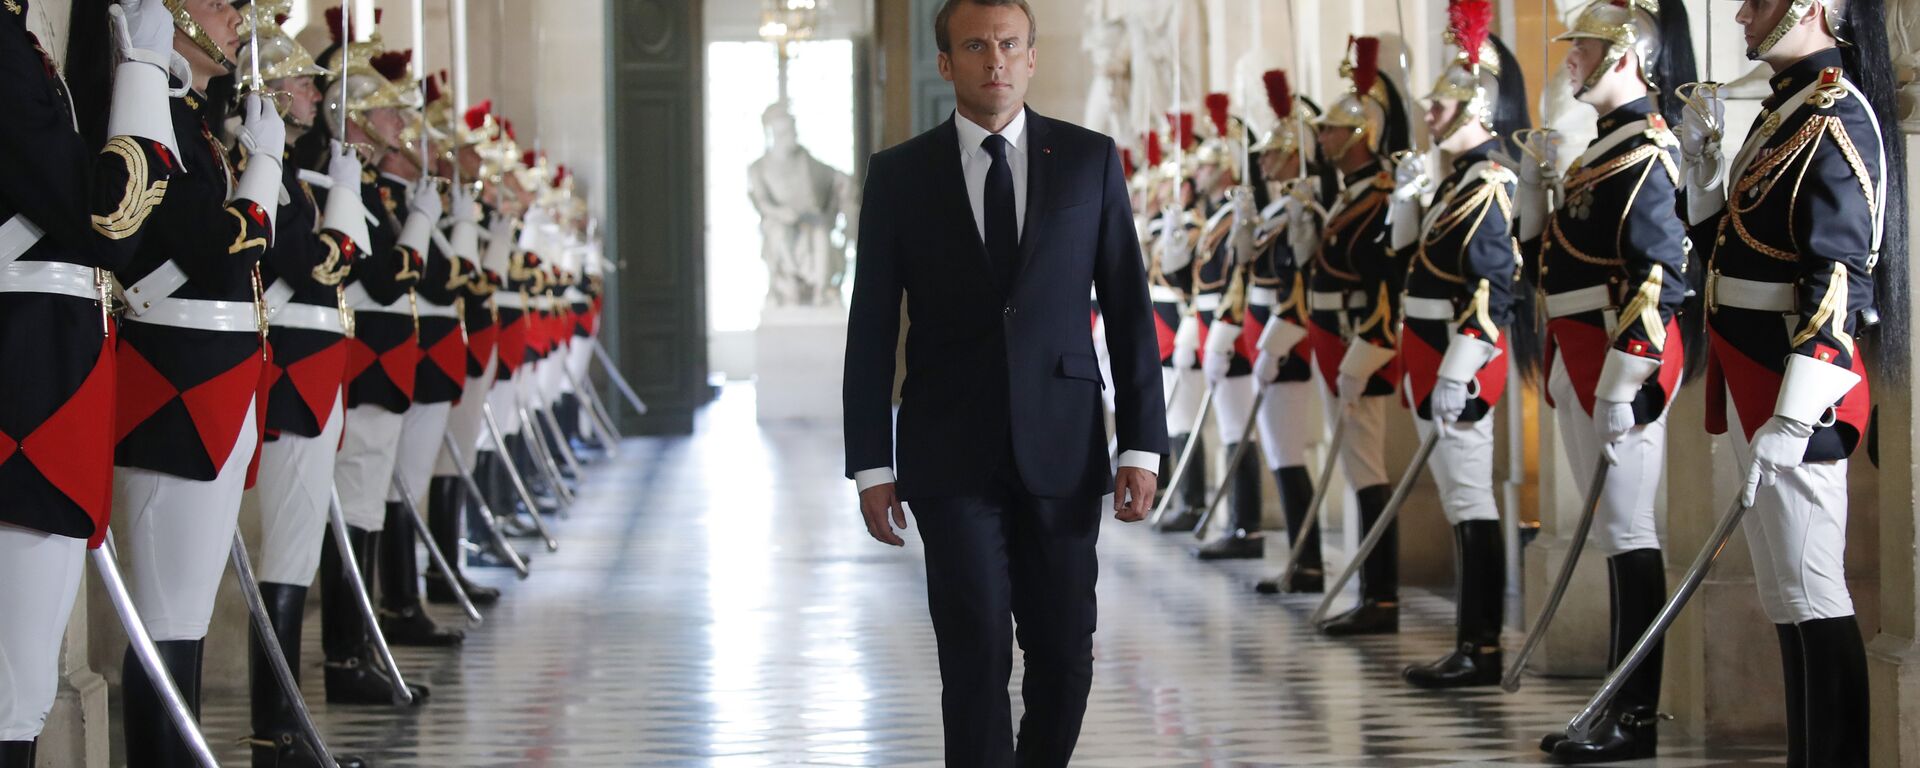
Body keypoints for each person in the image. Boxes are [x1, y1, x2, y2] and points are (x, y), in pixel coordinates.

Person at [841, 0, 1167, 764]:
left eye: (1010, 44)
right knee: (975, 656)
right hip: (948, 452)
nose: (995, 60)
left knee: (1064, 657)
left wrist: (1143, 447)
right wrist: (870, 464)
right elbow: (870, 330)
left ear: (1031, 56)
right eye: (976, 45)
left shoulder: (1090, 160)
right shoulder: (900, 177)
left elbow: (1128, 307)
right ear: (946, 63)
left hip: (1063, 445)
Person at [1681, 0, 1902, 759]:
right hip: (1754, 372)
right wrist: (1705, 180)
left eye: (1762, 0)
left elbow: (1840, 278)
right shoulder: (1785, 112)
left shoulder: (1840, 114)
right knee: (1785, 595)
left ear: (1811, 7)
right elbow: (1734, 255)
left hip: (1794, 382)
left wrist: (1797, 411)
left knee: (1815, 592)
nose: (1743, 13)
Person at [0, 0, 176, 763]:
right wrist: (139, 74)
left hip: (37, 375)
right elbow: (111, 219)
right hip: (29, 387)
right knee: (16, 683)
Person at [1523, 0, 1694, 758]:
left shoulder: (1648, 148)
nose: (1572, 59)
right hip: (1577, 355)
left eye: (1585, 49)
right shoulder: (1599, 150)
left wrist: (1627, 379)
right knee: (1611, 534)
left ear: (1623, 56)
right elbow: (1553, 263)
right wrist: (1534, 197)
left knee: (1631, 535)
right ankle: (1614, 701)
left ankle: (1633, 716)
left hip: (1616, 363)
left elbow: (1658, 278)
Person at [231, 3, 375, 764]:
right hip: (289, 376)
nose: (317, 97)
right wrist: (347, 201)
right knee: (287, 552)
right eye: (304, 85)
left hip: (315, 373)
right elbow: (316, 265)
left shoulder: (288, 172)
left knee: (297, 550)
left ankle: (286, 729)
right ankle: (275, 738)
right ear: (274, 89)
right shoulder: (266, 168)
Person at [1391, 5, 1529, 687]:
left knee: (1473, 504)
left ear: (1474, 102)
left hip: (1458, 360)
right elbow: (1407, 260)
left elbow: (1491, 291)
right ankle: (1471, 642)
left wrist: (1460, 370)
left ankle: (1481, 646)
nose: (1432, 113)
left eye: (1442, 104)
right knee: (1458, 503)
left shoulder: (1490, 184)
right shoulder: (1454, 183)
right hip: (1426, 351)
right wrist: (1405, 200)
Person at [1306, 36, 1413, 636]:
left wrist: (1367, 352)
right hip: (1332, 338)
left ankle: (1383, 597)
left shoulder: (1381, 196)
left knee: (1367, 465)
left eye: (1330, 130)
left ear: (1360, 135)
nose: (1321, 140)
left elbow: (1384, 288)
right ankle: (1373, 591)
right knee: (1355, 465)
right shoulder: (1347, 193)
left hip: (1357, 342)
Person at [1187, 92, 1267, 559]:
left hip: (1232, 329)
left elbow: (1239, 275)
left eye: (1204, 166)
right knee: (1233, 427)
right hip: (1214, 324)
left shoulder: (1236, 213)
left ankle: (1247, 528)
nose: (1197, 174)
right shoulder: (1215, 217)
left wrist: (1227, 326)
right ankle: (1239, 524)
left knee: (1240, 430)